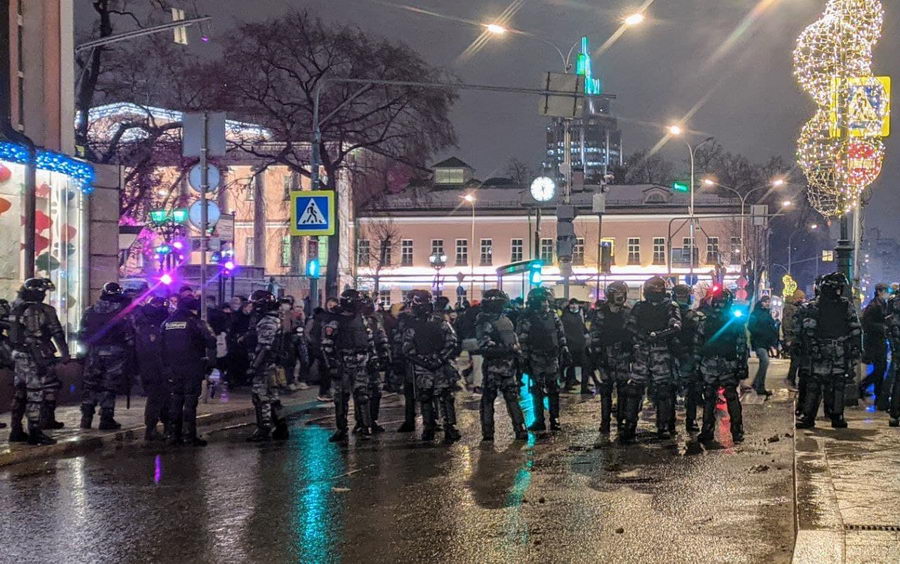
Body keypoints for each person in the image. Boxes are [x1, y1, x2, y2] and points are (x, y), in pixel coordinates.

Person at [7, 278, 71, 445]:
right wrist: (65, 353)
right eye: (42, 292)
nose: (43, 295)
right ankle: (35, 431)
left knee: (20, 392)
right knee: (35, 394)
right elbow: (57, 333)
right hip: (35, 356)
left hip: (18, 355)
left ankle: (16, 430)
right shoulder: (44, 310)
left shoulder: (15, 307)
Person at [795, 272, 862, 429]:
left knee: (833, 384)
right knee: (818, 384)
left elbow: (855, 329)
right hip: (826, 350)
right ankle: (815, 416)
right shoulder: (816, 307)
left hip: (835, 350)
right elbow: (808, 330)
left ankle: (832, 415)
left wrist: (855, 348)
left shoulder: (842, 306)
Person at [626, 277, 681, 441]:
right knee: (634, 389)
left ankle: (663, 425)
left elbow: (676, 325)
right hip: (642, 351)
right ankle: (630, 425)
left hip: (661, 351)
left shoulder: (670, 306)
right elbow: (630, 325)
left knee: (664, 390)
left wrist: (658, 335)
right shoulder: (640, 306)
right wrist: (642, 335)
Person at [401, 289, 460, 443]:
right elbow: (408, 349)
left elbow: (452, 341)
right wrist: (426, 361)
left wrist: (439, 359)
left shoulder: (441, 323)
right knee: (426, 397)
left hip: (437, 365)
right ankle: (429, 427)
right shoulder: (412, 325)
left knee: (445, 396)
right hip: (424, 367)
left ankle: (449, 427)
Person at [160, 296, 216, 446]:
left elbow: (160, 345)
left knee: (176, 399)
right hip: (192, 366)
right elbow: (211, 340)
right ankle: (189, 435)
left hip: (173, 367)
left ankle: (173, 435)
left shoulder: (167, 323)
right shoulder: (195, 322)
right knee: (190, 402)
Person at [695, 287, 748, 443]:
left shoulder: (733, 322)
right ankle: (710, 431)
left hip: (725, 363)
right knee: (711, 397)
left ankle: (736, 431)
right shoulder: (706, 321)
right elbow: (698, 344)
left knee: (726, 396)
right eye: (716, 302)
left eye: (721, 302)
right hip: (713, 363)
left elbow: (742, 345)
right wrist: (697, 366)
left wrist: (741, 365)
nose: (718, 305)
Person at [80, 282, 134, 431]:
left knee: (90, 385)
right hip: (115, 354)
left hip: (93, 353)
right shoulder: (123, 312)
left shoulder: (90, 310)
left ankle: (86, 418)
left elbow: (82, 333)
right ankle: (106, 418)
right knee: (108, 386)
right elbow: (129, 336)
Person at [322, 290, 374, 442]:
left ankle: (365, 427)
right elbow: (327, 344)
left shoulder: (361, 319)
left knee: (362, 395)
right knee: (340, 398)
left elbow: (368, 339)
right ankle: (341, 429)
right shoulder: (335, 320)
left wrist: (373, 357)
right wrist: (331, 365)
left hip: (360, 362)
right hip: (342, 362)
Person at [476, 289, 527, 441]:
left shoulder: (504, 319)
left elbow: (513, 339)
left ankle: (520, 429)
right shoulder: (485, 321)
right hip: (494, 366)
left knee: (511, 397)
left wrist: (517, 354)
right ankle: (488, 432)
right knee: (489, 399)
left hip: (508, 366)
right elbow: (484, 346)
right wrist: (509, 350)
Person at [517, 287, 570, 432]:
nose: (546, 304)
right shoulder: (527, 318)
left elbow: (560, 334)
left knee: (553, 389)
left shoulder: (553, 315)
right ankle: (540, 420)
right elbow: (523, 340)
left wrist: (564, 348)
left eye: (547, 301)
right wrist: (524, 359)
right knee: (537, 390)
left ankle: (555, 419)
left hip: (552, 357)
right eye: (543, 301)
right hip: (536, 358)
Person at [244, 290, 290, 441]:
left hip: (265, 365)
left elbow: (265, 347)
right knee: (273, 397)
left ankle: (264, 428)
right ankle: (281, 426)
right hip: (272, 364)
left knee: (261, 396)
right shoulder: (274, 319)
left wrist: (254, 367)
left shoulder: (267, 322)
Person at [590, 282, 633, 435]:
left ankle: (621, 420)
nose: (620, 297)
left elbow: (633, 333)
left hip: (623, 356)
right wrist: (596, 355)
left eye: (622, 293)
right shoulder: (601, 313)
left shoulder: (628, 312)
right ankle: (605, 422)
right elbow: (594, 334)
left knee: (623, 389)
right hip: (605, 357)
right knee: (606, 390)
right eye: (617, 293)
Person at [132, 295, 170, 441]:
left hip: (146, 366)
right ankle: (153, 428)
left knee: (159, 397)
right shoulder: (158, 322)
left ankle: (156, 427)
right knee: (159, 397)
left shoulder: (140, 321)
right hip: (159, 366)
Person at [672, 284, 703, 433]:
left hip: (688, 356)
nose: (682, 299)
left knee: (691, 390)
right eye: (680, 296)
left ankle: (690, 420)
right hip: (672, 355)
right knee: (669, 390)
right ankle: (672, 421)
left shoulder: (693, 315)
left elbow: (699, 337)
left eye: (683, 296)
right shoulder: (667, 313)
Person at [362, 295, 391, 433]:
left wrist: (384, 355)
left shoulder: (374, 321)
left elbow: (381, 337)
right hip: (357, 362)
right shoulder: (351, 320)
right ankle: (362, 422)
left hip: (373, 361)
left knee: (375, 392)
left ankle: (371, 420)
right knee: (361, 393)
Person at [860, 283, 890, 410]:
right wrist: (882, 327)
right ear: (879, 291)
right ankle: (865, 388)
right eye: (886, 291)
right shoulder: (875, 305)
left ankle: (877, 395)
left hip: (878, 341)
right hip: (875, 342)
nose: (887, 293)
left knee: (880, 369)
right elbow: (867, 323)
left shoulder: (879, 304)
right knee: (880, 369)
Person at [748, 295, 778, 397]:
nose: (767, 303)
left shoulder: (767, 314)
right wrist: (760, 334)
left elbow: (772, 327)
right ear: (761, 302)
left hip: (766, 342)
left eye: (768, 302)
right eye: (765, 302)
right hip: (758, 342)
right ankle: (759, 386)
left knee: (764, 363)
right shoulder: (756, 313)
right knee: (765, 361)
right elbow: (750, 327)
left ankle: (757, 384)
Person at [561, 299, 591, 394]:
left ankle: (577, 386)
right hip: (571, 346)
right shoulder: (565, 317)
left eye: (575, 304)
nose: (574, 306)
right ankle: (576, 386)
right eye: (572, 304)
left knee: (578, 366)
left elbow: (582, 328)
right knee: (574, 365)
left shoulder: (578, 316)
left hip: (580, 346)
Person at [782, 290, 805, 390]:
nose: (802, 300)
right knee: (795, 360)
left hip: (797, 337)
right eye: (800, 298)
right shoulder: (790, 308)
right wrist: (788, 338)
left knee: (797, 360)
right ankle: (790, 380)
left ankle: (793, 380)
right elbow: (787, 323)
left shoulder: (796, 307)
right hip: (793, 337)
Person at [885, 294, 900, 426]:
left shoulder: (893, 303)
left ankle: (894, 414)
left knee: (898, 381)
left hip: (897, 348)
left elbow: (888, 327)